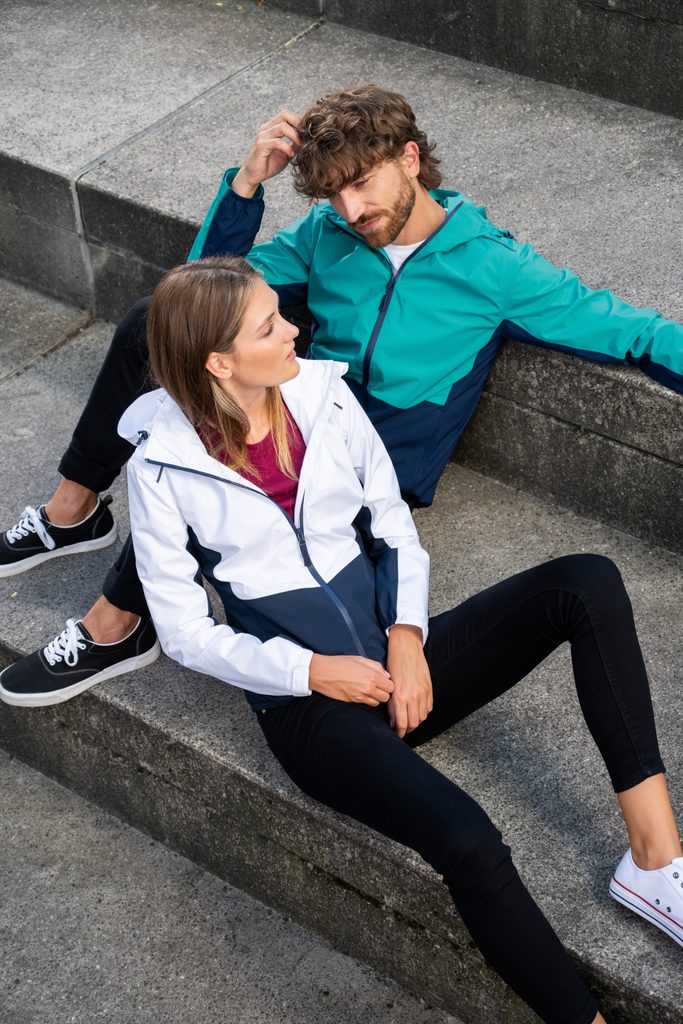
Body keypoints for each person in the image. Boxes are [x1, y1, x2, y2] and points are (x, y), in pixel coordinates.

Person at [123, 256, 681, 1022]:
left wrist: (408, 635)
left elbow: (390, 525)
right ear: (219, 362)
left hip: (395, 662)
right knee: (468, 841)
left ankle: (654, 860)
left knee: (583, 582)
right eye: (268, 326)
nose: (292, 331)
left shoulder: (322, 395)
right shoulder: (161, 468)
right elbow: (185, 632)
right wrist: (310, 671)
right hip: (309, 713)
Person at [1, 83, 681, 705]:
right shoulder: (328, 234)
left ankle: (116, 623)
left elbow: (635, 333)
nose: (352, 210)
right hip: (301, 415)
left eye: (361, 183)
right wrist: (245, 186)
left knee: (213, 471)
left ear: (409, 158)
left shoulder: (493, 267)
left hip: (372, 463)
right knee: (151, 320)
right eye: (333, 195)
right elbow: (198, 308)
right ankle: (74, 510)